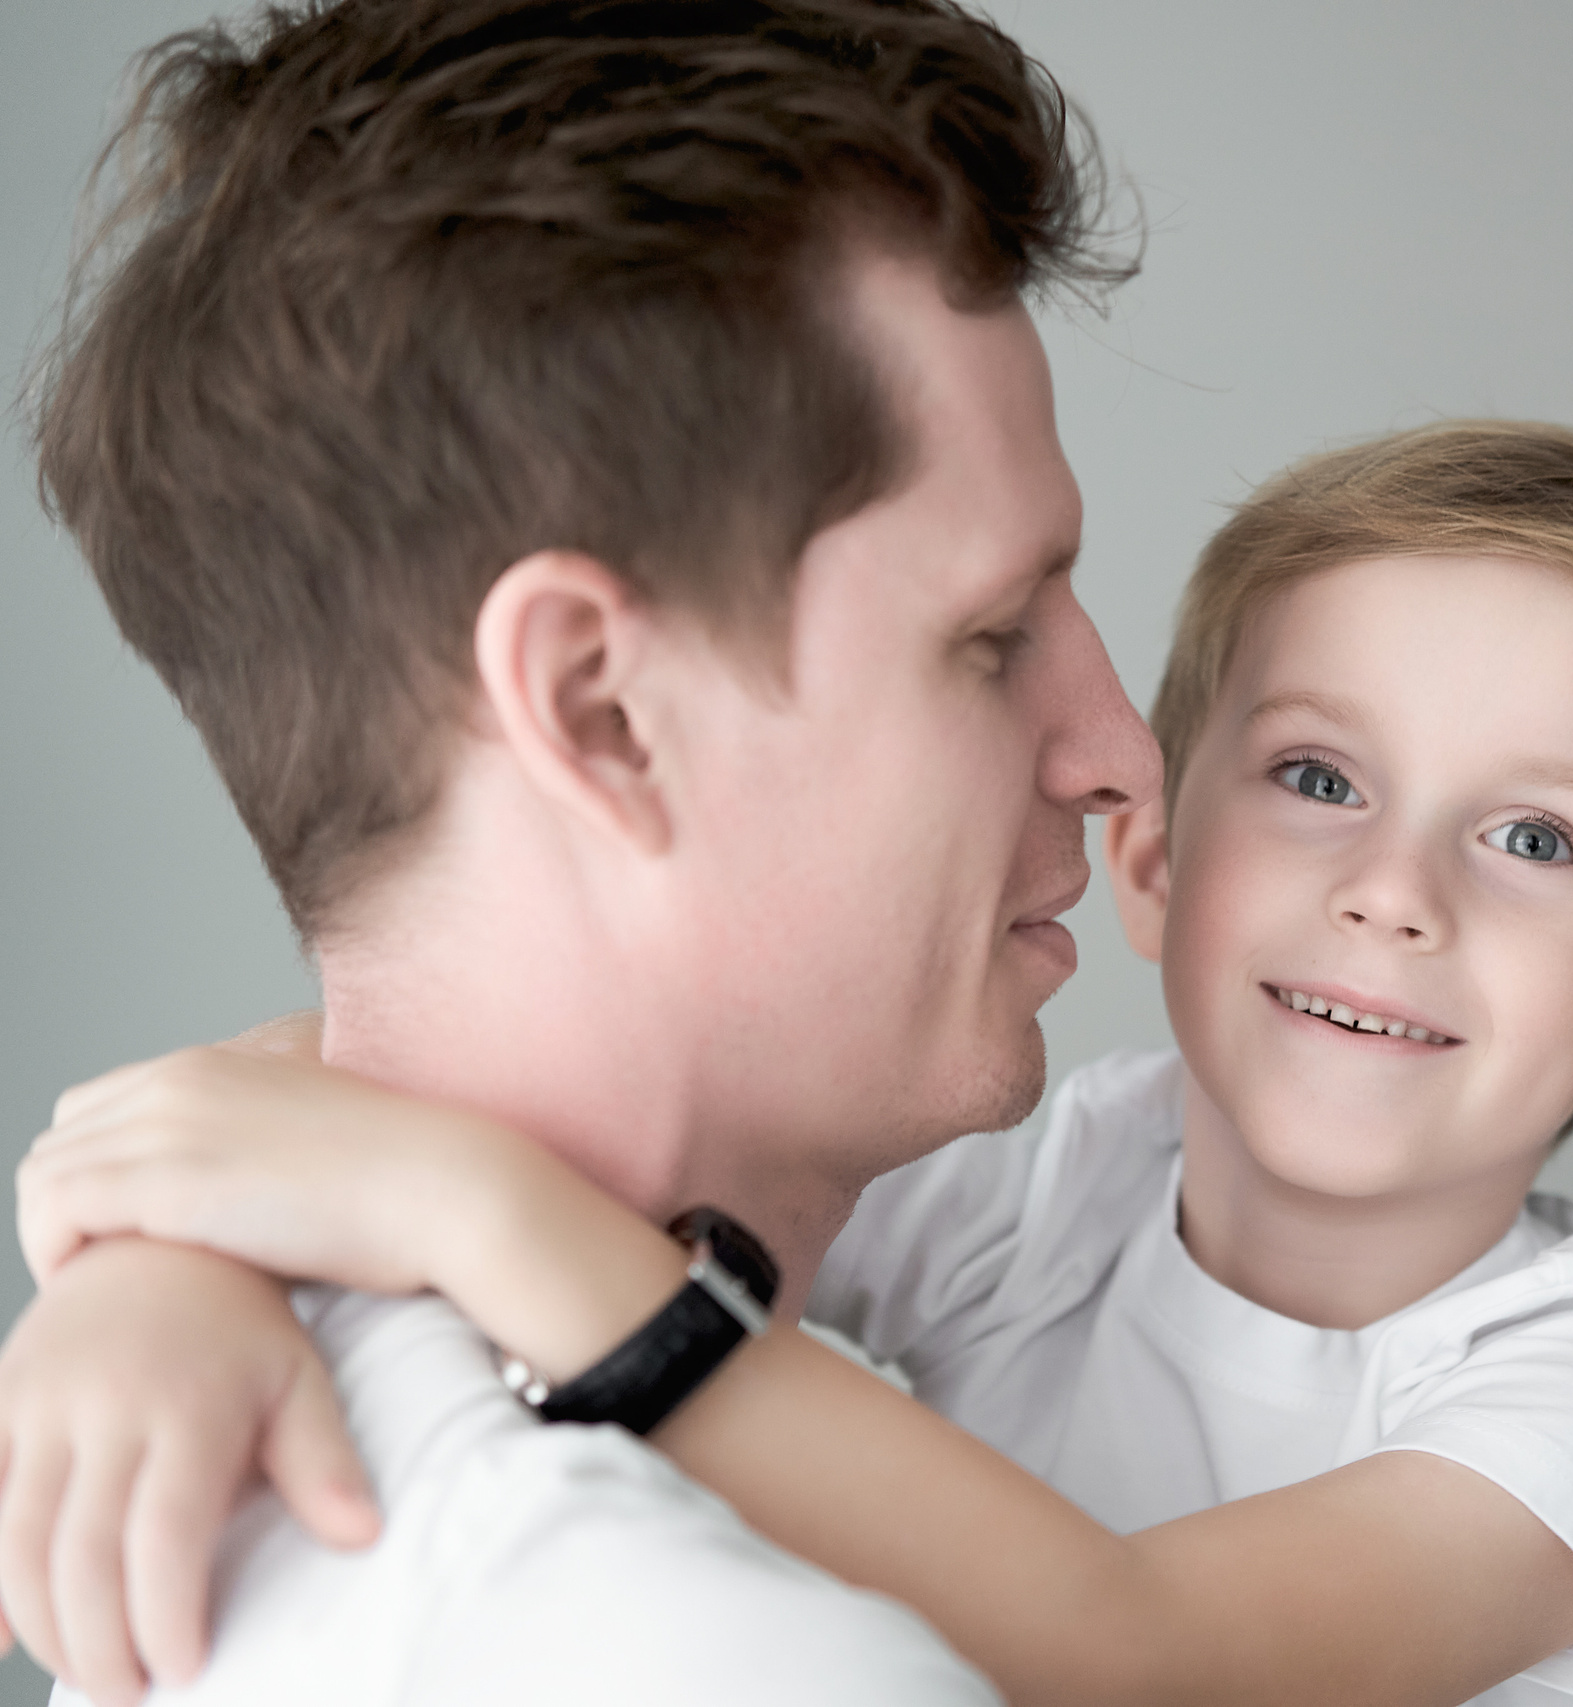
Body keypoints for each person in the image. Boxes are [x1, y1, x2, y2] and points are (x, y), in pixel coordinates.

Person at [8, 421, 1573, 1707]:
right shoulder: (1071, 1183)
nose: (1394, 893)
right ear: (1154, 857)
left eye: (1537, 839)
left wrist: (462, 1211)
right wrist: (168, 1270)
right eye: (1319, 780)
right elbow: (429, 1096)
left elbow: (1136, 1651)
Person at [0, 1, 1159, 1702]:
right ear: (601, 712)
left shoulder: (288, 1450)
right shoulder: (730, 1661)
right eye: (991, 638)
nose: (1124, 755)